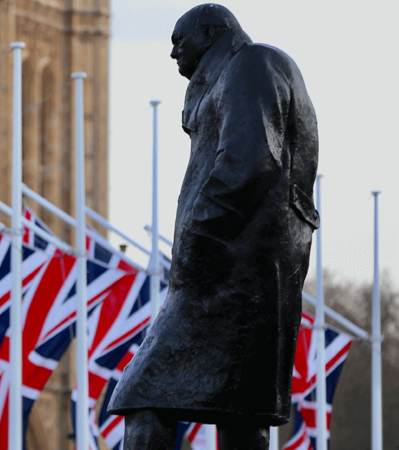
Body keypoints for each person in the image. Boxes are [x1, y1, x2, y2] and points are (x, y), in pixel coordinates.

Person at [106, 4, 320, 449]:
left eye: (179, 42)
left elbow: (251, 162)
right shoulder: (240, 72)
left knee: (142, 394)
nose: (173, 55)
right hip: (246, 270)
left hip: (230, 269)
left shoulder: (251, 64)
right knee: (241, 409)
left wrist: (196, 239)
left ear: (210, 32)